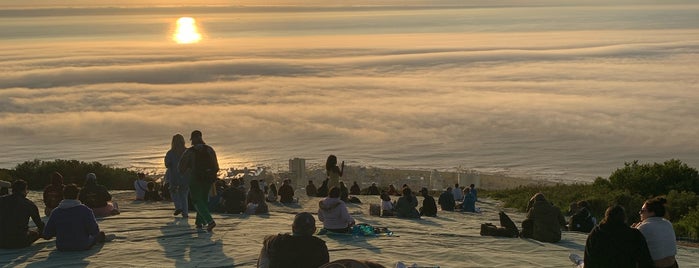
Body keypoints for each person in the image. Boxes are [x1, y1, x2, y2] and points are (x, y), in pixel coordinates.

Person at [575, 205, 654, 268]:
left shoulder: (596, 233)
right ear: (624, 218)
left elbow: (589, 260)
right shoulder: (633, 234)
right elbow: (645, 260)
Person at [43, 184, 109, 251]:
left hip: (62, 246)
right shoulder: (85, 210)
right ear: (78, 195)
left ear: (63, 195)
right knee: (100, 235)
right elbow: (94, 231)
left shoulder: (55, 212)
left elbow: (47, 234)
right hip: (82, 245)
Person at [178, 130, 219, 231]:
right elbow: (216, 165)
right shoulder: (209, 149)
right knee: (204, 200)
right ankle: (199, 222)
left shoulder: (190, 151)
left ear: (192, 139)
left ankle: (210, 221)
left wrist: (182, 174)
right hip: (208, 178)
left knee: (197, 200)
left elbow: (181, 167)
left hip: (195, 177)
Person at [257, 212, 329, 268]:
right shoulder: (320, 245)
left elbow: (266, 239)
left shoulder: (278, 241)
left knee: (265, 248)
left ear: (293, 228)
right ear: (314, 230)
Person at [633, 196, 678, 268]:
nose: (639, 213)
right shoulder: (668, 223)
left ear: (652, 213)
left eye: (642, 211)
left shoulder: (644, 226)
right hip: (672, 265)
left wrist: (634, 229)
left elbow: (629, 242)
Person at [0, 180, 44, 249]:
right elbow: (39, 224)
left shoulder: (1, 200)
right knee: (36, 233)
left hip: (1, 241)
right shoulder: (29, 204)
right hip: (20, 241)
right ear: (23, 191)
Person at [165, 133, 188, 218]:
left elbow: (167, 164)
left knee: (173, 191)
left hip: (174, 176)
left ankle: (178, 207)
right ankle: (185, 213)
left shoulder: (170, 153)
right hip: (185, 176)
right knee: (184, 194)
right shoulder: (187, 151)